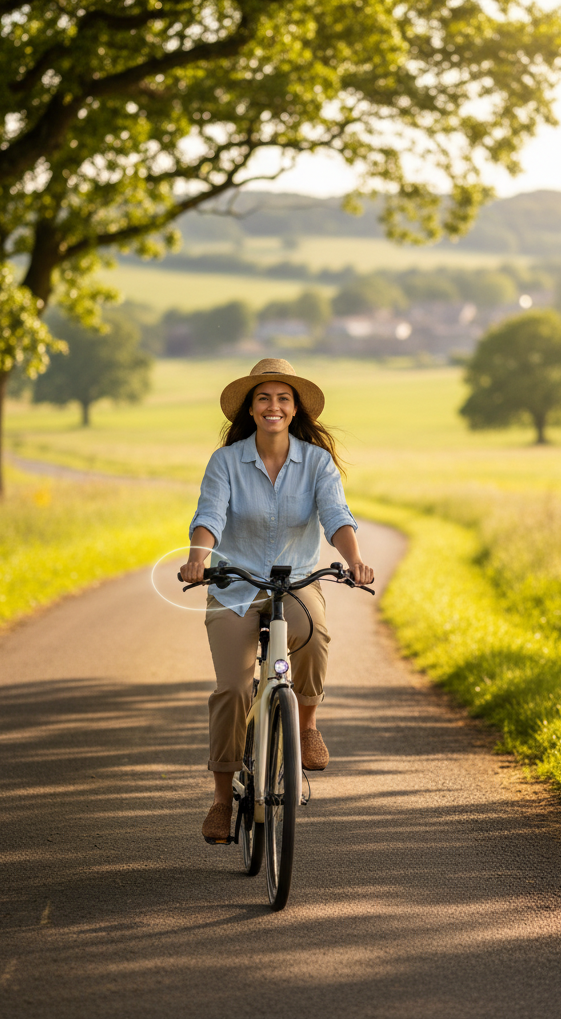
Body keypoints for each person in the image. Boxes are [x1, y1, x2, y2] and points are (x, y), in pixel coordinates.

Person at [182, 358, 374, 844]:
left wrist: (353, 558)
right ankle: (223, 800)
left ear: (294, 410)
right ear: (250, 409)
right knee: (232, 690)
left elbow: (336, 515)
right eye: (263, 398)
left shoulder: (316, 462)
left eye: (282, 399)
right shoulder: (226, 462)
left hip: (296, 578)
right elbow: (210, 514)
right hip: (235, 582)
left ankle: (306, 726)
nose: (273, 406)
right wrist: (198, 557)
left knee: (314, 634)